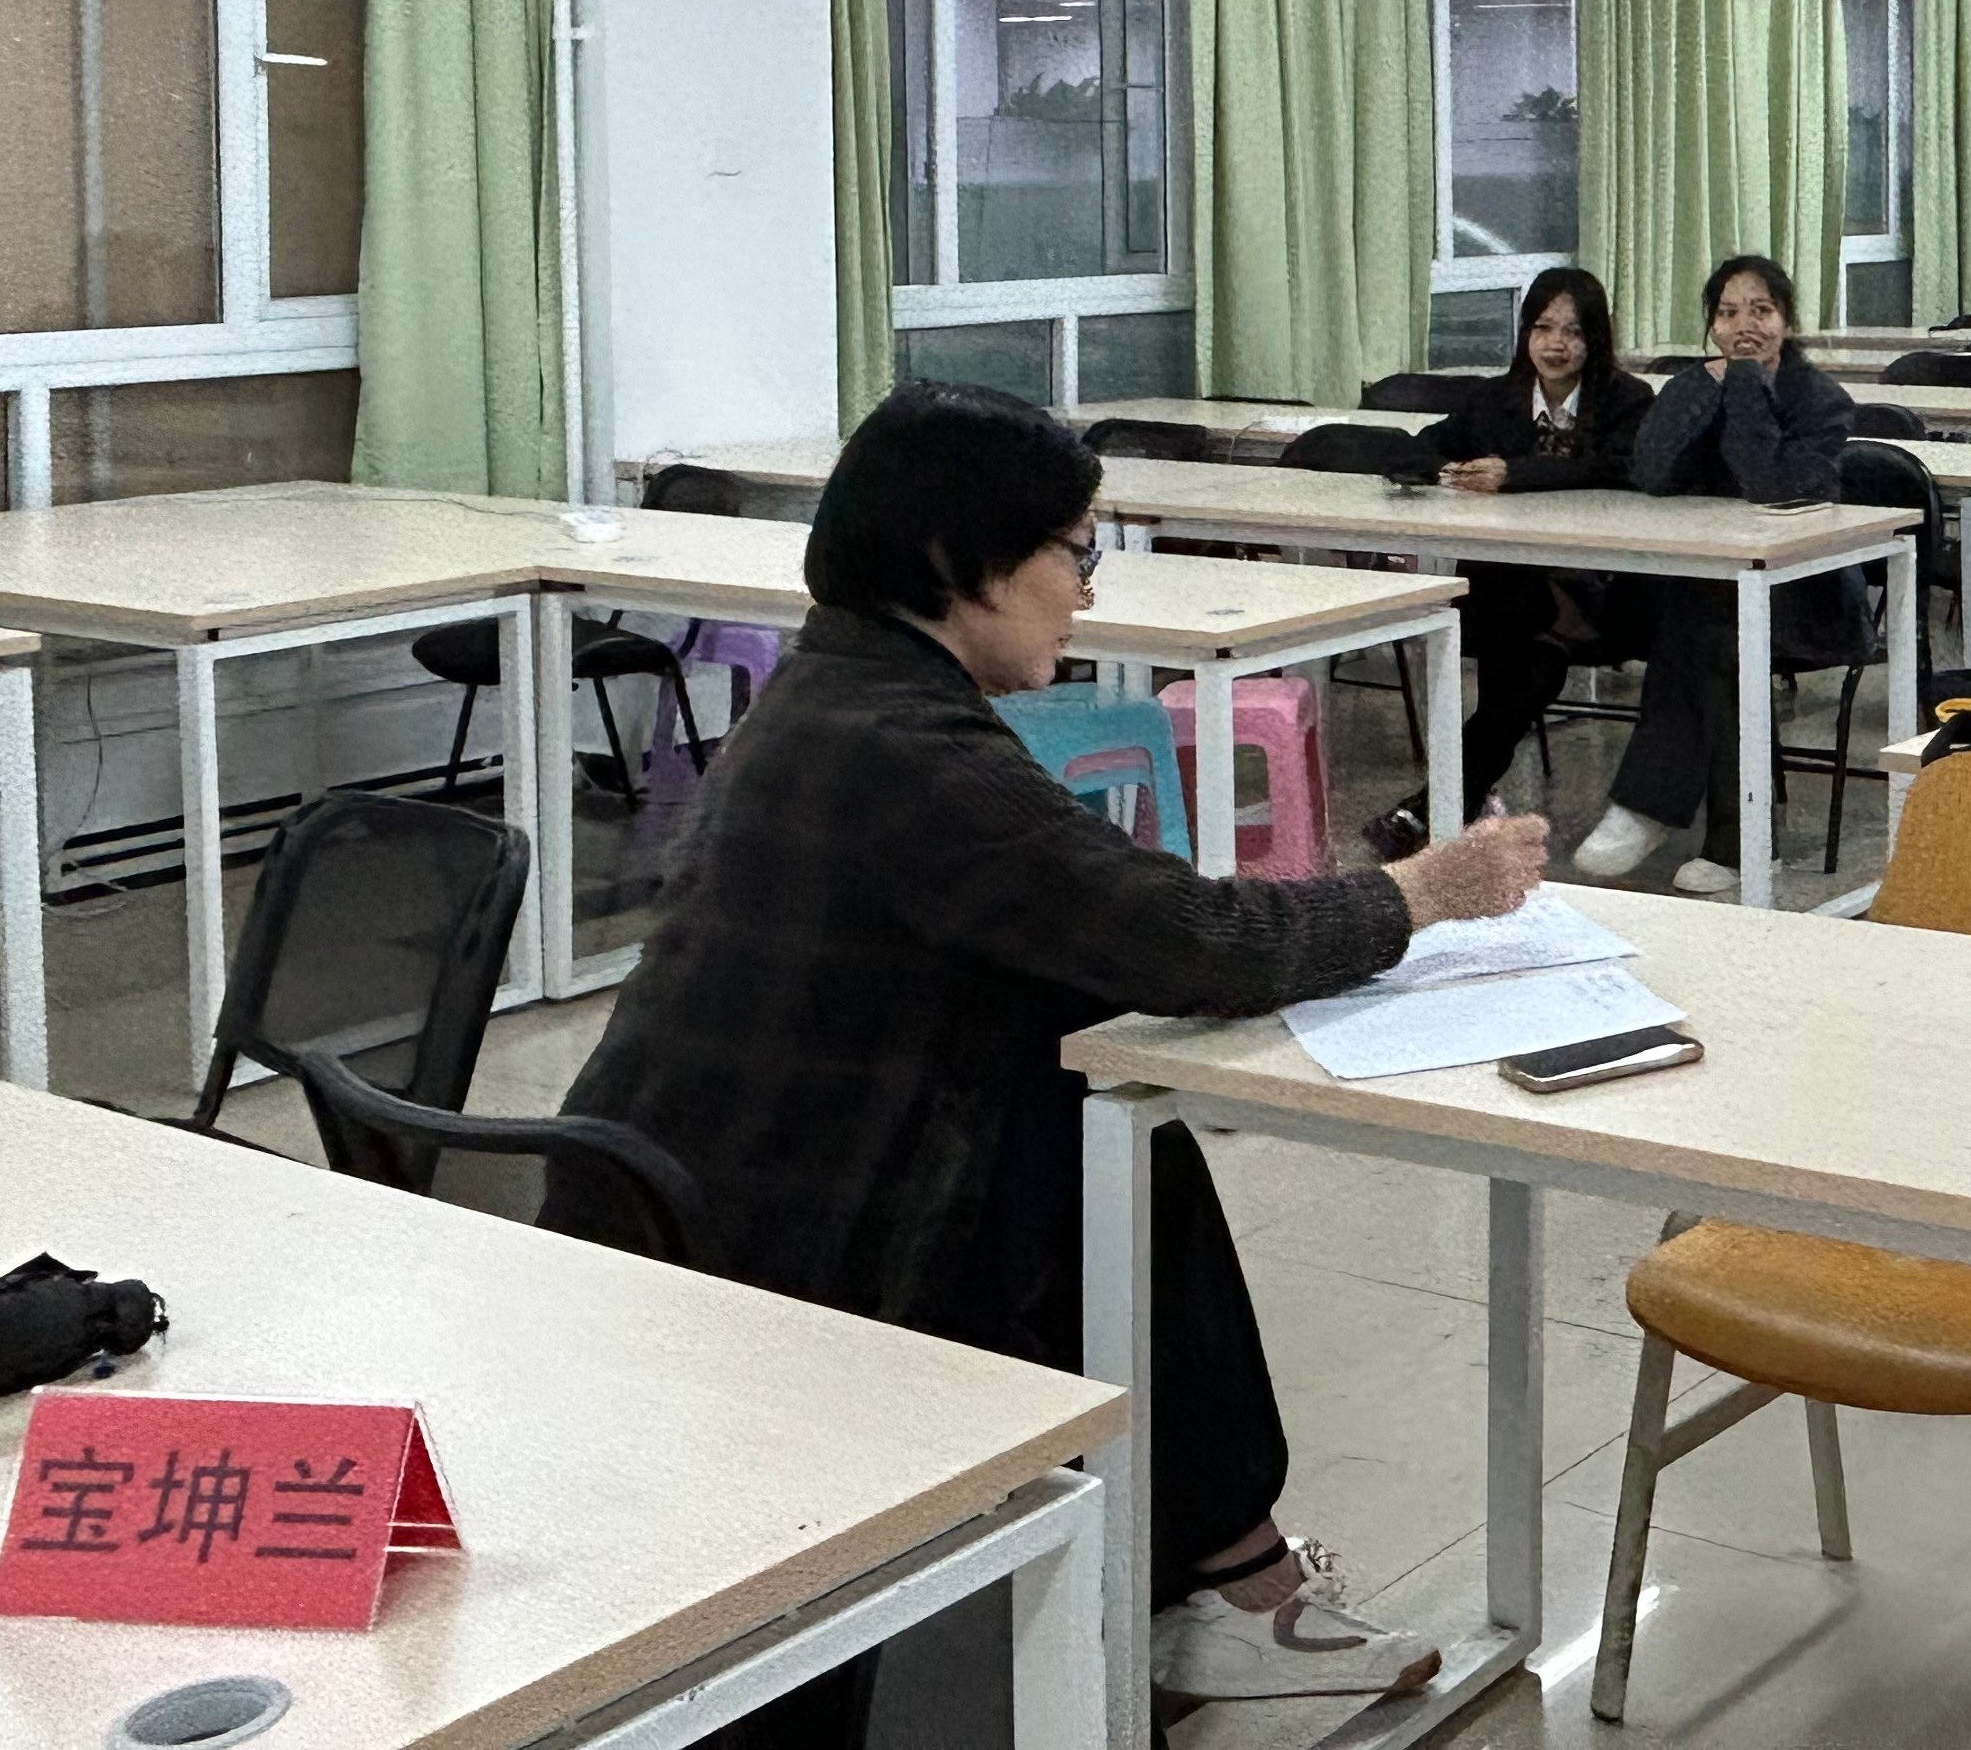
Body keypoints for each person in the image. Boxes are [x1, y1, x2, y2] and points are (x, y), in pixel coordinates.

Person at [550, 384, 1552, 1714]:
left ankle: (1220, 1573)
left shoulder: (834, 690)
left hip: (677, 1208)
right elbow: (1194, 941)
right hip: (785, 1266)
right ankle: (1232, 1583)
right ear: (964, 560)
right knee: (1115, 1136)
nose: (1087, 589)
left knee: (1106, 1117)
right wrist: (1424, 890)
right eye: (1075, 552)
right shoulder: (910, 750)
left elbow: (1101, 924)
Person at [1572, 254, 1857, 892]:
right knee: (1707, 624)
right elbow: (1649, 473)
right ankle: (1743, 842)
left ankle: (1654, 807)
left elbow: (1768, 485)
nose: (1744, 325)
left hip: (1802, 591)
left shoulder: (1821, 402)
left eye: (1761, 311)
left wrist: (1747, 383)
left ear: (1787, 322)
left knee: (1714, 632)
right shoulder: (1695, 383)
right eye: (1728, 313)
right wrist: (1706, 389)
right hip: (1699, 585)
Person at [1365, 265, 1655, 863]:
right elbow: (1426, 446)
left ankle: (1437, 806)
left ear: (1595, 338)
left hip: (1600, 590)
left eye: (1573, 331)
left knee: (1530, 659)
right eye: (1543, 328)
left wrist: (1516, 474)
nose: (1556, 344)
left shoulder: (1627, 400)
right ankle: (1446, 804)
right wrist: (1435, 468)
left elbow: (1621, 469)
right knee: (1523, 650)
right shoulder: (1496, 399)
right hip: (1510, 587)